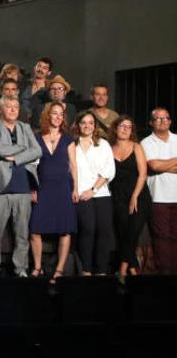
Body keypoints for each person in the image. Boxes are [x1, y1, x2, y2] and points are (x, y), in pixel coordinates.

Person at [0, 95, 41, 278]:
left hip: (23, 187)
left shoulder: (25, 127)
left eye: (15, 107)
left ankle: (21, 269)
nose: (13, 110)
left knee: (22, 235)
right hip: (0, 188)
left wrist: (15, 158)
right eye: (8, 107)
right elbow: (0, 150)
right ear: (1, 109)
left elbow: (38, 150)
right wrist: (25, 150)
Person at [30, 102, 78, 281]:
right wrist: (32, 187)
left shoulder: (68, 139)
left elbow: (73, 166)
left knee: (65, 230)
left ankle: (59, 270)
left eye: (61, 114)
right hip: (42, 188)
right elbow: (31, 165)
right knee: (35, 230)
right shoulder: (36, 137)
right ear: (47, 115)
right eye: (54, 113)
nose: (58, 117)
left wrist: (76, 188)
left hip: (63, 188)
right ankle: (37, 267)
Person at [109, 115, 153, 277]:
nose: (125, 129)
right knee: (123, 233)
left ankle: (122, 270)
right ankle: (133, 270)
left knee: (132, 232)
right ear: (115, 128)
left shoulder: (137, 147)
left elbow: (143, 174)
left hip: (139, 195)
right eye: (122, 126)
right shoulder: (109, 148)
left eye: (129, 127)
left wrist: (134, 196)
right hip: (118, 196)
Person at [73, 110, 116, 275]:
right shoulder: (72, 144)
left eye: (90, 123)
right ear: (78, 125)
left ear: (95, 126)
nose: (87, 126)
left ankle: (101, 271)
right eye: (83, 122)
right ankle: (86, 270)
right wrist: (82, 191)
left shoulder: (102, 144)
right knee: (88, 230)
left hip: (101, 193)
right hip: (81, 195)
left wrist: (93, 190)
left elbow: (108, 170)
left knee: (104, 232)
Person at [141, 108, 177, 274]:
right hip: (158, 198)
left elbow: (159, 165)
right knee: (162, 239)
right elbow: (153, 165)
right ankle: (166, 275)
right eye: (158, 118)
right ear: (151, 123)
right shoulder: (146, 143)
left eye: (165, 118)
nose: (162, 121)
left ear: (170, 121)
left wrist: (163, 165)